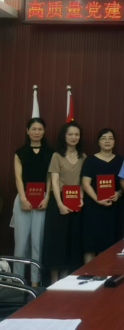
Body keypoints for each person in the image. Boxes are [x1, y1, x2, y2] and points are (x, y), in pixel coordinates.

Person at [42, 121, 86, 283]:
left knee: (71, 241)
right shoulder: (56, 155)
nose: (74, 137)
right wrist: (60, 204)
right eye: (70, 134)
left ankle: (64, 279)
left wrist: (81, 198)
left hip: (76, 202)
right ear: (64, 136)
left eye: (77, 134)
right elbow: (54, 181)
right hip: (58, 202)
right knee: (56, 241)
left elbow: (82, 182)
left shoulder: (83, 157)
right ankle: (54, 281)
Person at [12, 118, 53, 286]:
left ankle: (36, 282)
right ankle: (18, 281)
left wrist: (47, 197)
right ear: (27, 131)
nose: (37, 132)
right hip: (23, 198)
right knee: (21, 243)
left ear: (44, 131)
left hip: (43, 199)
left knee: (38, 241)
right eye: (34, 129)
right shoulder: (20, 152)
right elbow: (18, 177)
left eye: (40, 129)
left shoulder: (50, 153)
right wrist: (23, 198)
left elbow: (50, 177)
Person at [81, 129, 124, 263]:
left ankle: (105, 275)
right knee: (90, 245)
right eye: (103, 138)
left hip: (113, 209)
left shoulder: (121, 160)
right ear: (98, 142)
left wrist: (119, 193)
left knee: (109, 247)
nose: (107, 141)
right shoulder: (90, 160)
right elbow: (85, 183)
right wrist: (98, 200)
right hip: (93, 208)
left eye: (110, 138)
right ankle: (89, 274)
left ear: (114, 141)